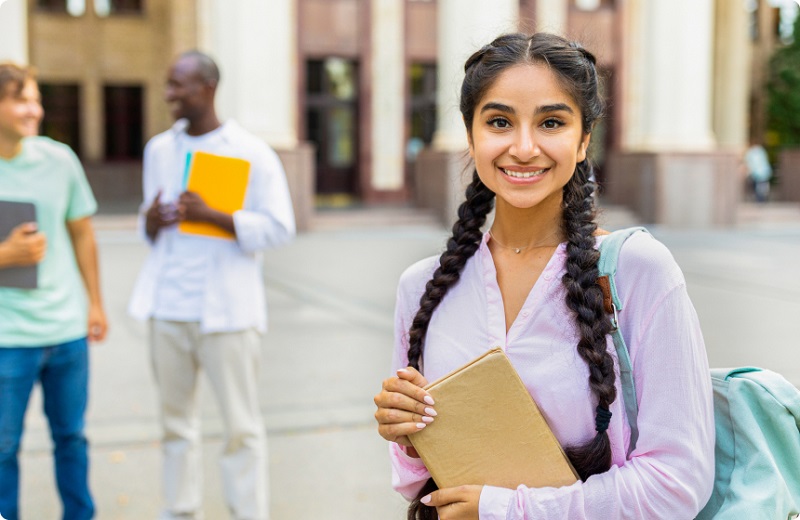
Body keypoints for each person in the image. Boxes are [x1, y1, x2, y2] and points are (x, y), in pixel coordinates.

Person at [373, 33, 715, 519]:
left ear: (583, 141)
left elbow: (678, 483)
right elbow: (414, 485)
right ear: (471, 137)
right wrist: (408, 433)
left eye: (551, 122)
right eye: (499, 122)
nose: (524, 146)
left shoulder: (637, 270)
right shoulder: (423, 286)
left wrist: (505, 509)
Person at [128, 50, 295, 520]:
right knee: (175, 425)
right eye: (167, 84)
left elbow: (281, 228)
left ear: (207, 88)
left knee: (241, 429)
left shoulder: (250, 151)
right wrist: (152, 219)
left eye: (178, 85)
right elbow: (147, 223)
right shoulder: (159, 149)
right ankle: (179, 511)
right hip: (167, 308)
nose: (169, 95)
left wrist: (216, 218)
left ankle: (247, 513)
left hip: (228, 312)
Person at [0, 62, 107, 520]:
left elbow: (82, 232)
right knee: (2, 449)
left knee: (72, 438)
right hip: (7, 339)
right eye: (22, 99)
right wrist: (5, 256)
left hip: (65, 331)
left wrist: (96, 303)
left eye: (36, 99)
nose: (34, 110)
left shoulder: (59, 160)